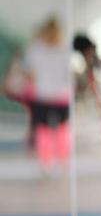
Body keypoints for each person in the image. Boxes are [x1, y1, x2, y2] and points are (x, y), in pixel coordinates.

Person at [19, 16, 72, 174]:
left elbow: (29, 74)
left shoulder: (35, 49)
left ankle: (46, 163)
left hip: (43, 95)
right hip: (61, 95)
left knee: (44, 131)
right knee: (61, 130)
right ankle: (62, 161)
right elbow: (68, 73)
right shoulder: (64, 49)